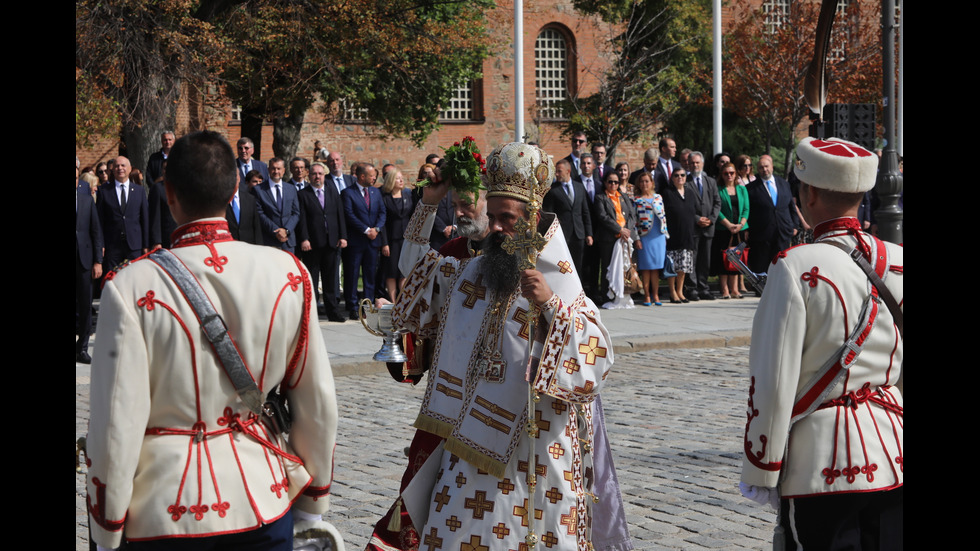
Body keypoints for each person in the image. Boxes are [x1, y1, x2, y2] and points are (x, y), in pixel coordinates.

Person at [86, 130, 338, 550]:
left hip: (164, 514)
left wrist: (106, 528)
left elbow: (116, 424)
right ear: (236, 186)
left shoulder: (130, 286)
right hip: (265, 498)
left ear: (168, 194)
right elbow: (317, 399)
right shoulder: (288, 272)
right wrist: (314, 500)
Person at [384, 141, 630, 551]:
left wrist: (551, 304)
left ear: (532, 219)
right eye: (492, 217)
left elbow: (596, 360)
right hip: (464, 451)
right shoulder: (469, 272)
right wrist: (428, 205)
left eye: (507, 219)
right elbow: (416, 272)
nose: (495, 228)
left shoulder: (560, 282)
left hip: (533, 457)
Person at [740, 137, 902, 550]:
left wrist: (762, 469)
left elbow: (773, 379)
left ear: (808, 194)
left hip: (821, 464)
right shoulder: (898, 261)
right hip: (894, 452)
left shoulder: (794, 265)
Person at [296, 161, 349, 322]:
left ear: (324, 175)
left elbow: (340, 214)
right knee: (311, 279)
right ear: (309, 175)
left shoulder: (332, 192)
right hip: (312, 244)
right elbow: (302, 219)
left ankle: (333, 312)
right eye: (314, 174)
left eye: (320, 173)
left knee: (330, 280)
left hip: (332, 242)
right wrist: (304, 238)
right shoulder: (303, 194)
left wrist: (343, 236)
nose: (317, 176)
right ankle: (310, 313)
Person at [341, 163, 386, 319]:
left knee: (370, 274)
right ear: (362, 176)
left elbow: (382, 212)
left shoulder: (376, 192)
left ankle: (367, 305)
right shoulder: (347, 193)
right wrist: (366, 230)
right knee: (352, 274)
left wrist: (377, 229)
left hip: (373, 242)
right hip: (356, 241)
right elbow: (349, 214)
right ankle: (353, 305)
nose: (374, 178)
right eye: (372, 175)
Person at [745, 155, 800, 276]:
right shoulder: (750, 189)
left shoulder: (784, 184)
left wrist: (795, 225)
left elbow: (791, 206)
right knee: (762, 264)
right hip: (762, 233)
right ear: (757, 169)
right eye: (761, 167)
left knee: (782, 263)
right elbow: (747, 211)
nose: (764, 170)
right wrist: (747, 229)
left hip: (783, 231)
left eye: (766, 166)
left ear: (772, 167)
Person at [98, 156, 149, 271]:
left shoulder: (139, 191)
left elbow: (145, 219)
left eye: (123, 165)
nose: (120, 168)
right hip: (112, 245)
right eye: (116, 166)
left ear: (130, 169)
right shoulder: (104, 191)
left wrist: (146, 245)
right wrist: (101, 244)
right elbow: (99, 221)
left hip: (134, 245)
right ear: (112, 170)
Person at [543, 158, 593, 276]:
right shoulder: (553, 190)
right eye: (556, 171)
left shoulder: (579, 187)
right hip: (562, 234)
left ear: (568, 171)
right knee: (563, 266)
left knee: (578, 265)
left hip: (579, 234)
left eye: (559, 171)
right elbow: (548, 212)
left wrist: (589, 233)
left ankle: (578, 292)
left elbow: (585, 212)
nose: (557, 174)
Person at [593, 170, 636, 305]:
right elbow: (602, 216)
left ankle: (623, 294)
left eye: (616, 182)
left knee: (623, 266)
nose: (613, 184)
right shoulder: (600, 198)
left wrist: (627, 230)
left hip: (624, 238)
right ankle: (608, 296)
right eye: (610, 181)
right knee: (608, 267)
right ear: (605, 182)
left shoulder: (623, 196)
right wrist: (619, 229)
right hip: (609, 238)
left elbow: (631, 215)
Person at [76, 157, 103, 364]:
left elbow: (96, 231)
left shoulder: (86, 199)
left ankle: (82, 347)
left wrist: (97, 261)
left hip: (84, 260)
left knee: (86, 305)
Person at [713, 162, 749, 299]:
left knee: (736, 259)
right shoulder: (718, 189)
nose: (729, 175)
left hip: (739, 229)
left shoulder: (741, 189)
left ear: (736, 174)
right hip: (723, 228)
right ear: (722, 175)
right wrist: (728, 225)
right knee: (723, 259)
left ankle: (735, 289)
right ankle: (725, 289)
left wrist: (740, 224)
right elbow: (717, 209)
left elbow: (746, 209)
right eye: (726, 173)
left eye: (732, 173)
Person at [661, 167, 696, 303]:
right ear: (672, 178)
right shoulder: (667, 193)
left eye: (682, 175)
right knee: (673, 267)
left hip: (687, 234)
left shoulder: (690, 193)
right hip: (672, 235)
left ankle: (680, 292)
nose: (680, 177)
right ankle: (672, 292)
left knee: (683, 268)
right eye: (676, 175)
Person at [633, 172, 667, 306]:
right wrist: (637, 238)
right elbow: (634, 221)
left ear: (652, 183)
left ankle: (656, 295)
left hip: (658, 236)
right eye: (642, 181)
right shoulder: (636, 200)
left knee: (656, 268)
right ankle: (646, 295)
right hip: (645, 236)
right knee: (646, 267)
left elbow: (664, 217)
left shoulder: (658, 198)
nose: (644, 184)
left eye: (647, 181)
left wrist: (665, 235)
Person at [381, 168, 415, 300]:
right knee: (392, 271)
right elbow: (383, 222)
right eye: (397, 178)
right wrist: (384, 243)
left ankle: (404, 299)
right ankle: (392, 300)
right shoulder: (385, 198)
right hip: (391, 240)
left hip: (406, 239)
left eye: (401, 178)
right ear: (391, 180)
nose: (401, 180)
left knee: (404, 272)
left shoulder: (408, 195)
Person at [254, 157, 301, 252]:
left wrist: (286, 231)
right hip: (269, 241)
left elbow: (296, 213)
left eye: (279, 168)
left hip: (288, 241)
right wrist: (276, 231)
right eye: (273, 168)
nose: (276, 171)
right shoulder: (259, 190)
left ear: (284, 170)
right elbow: (259, 213)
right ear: (268, 170)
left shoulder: (291, 189)